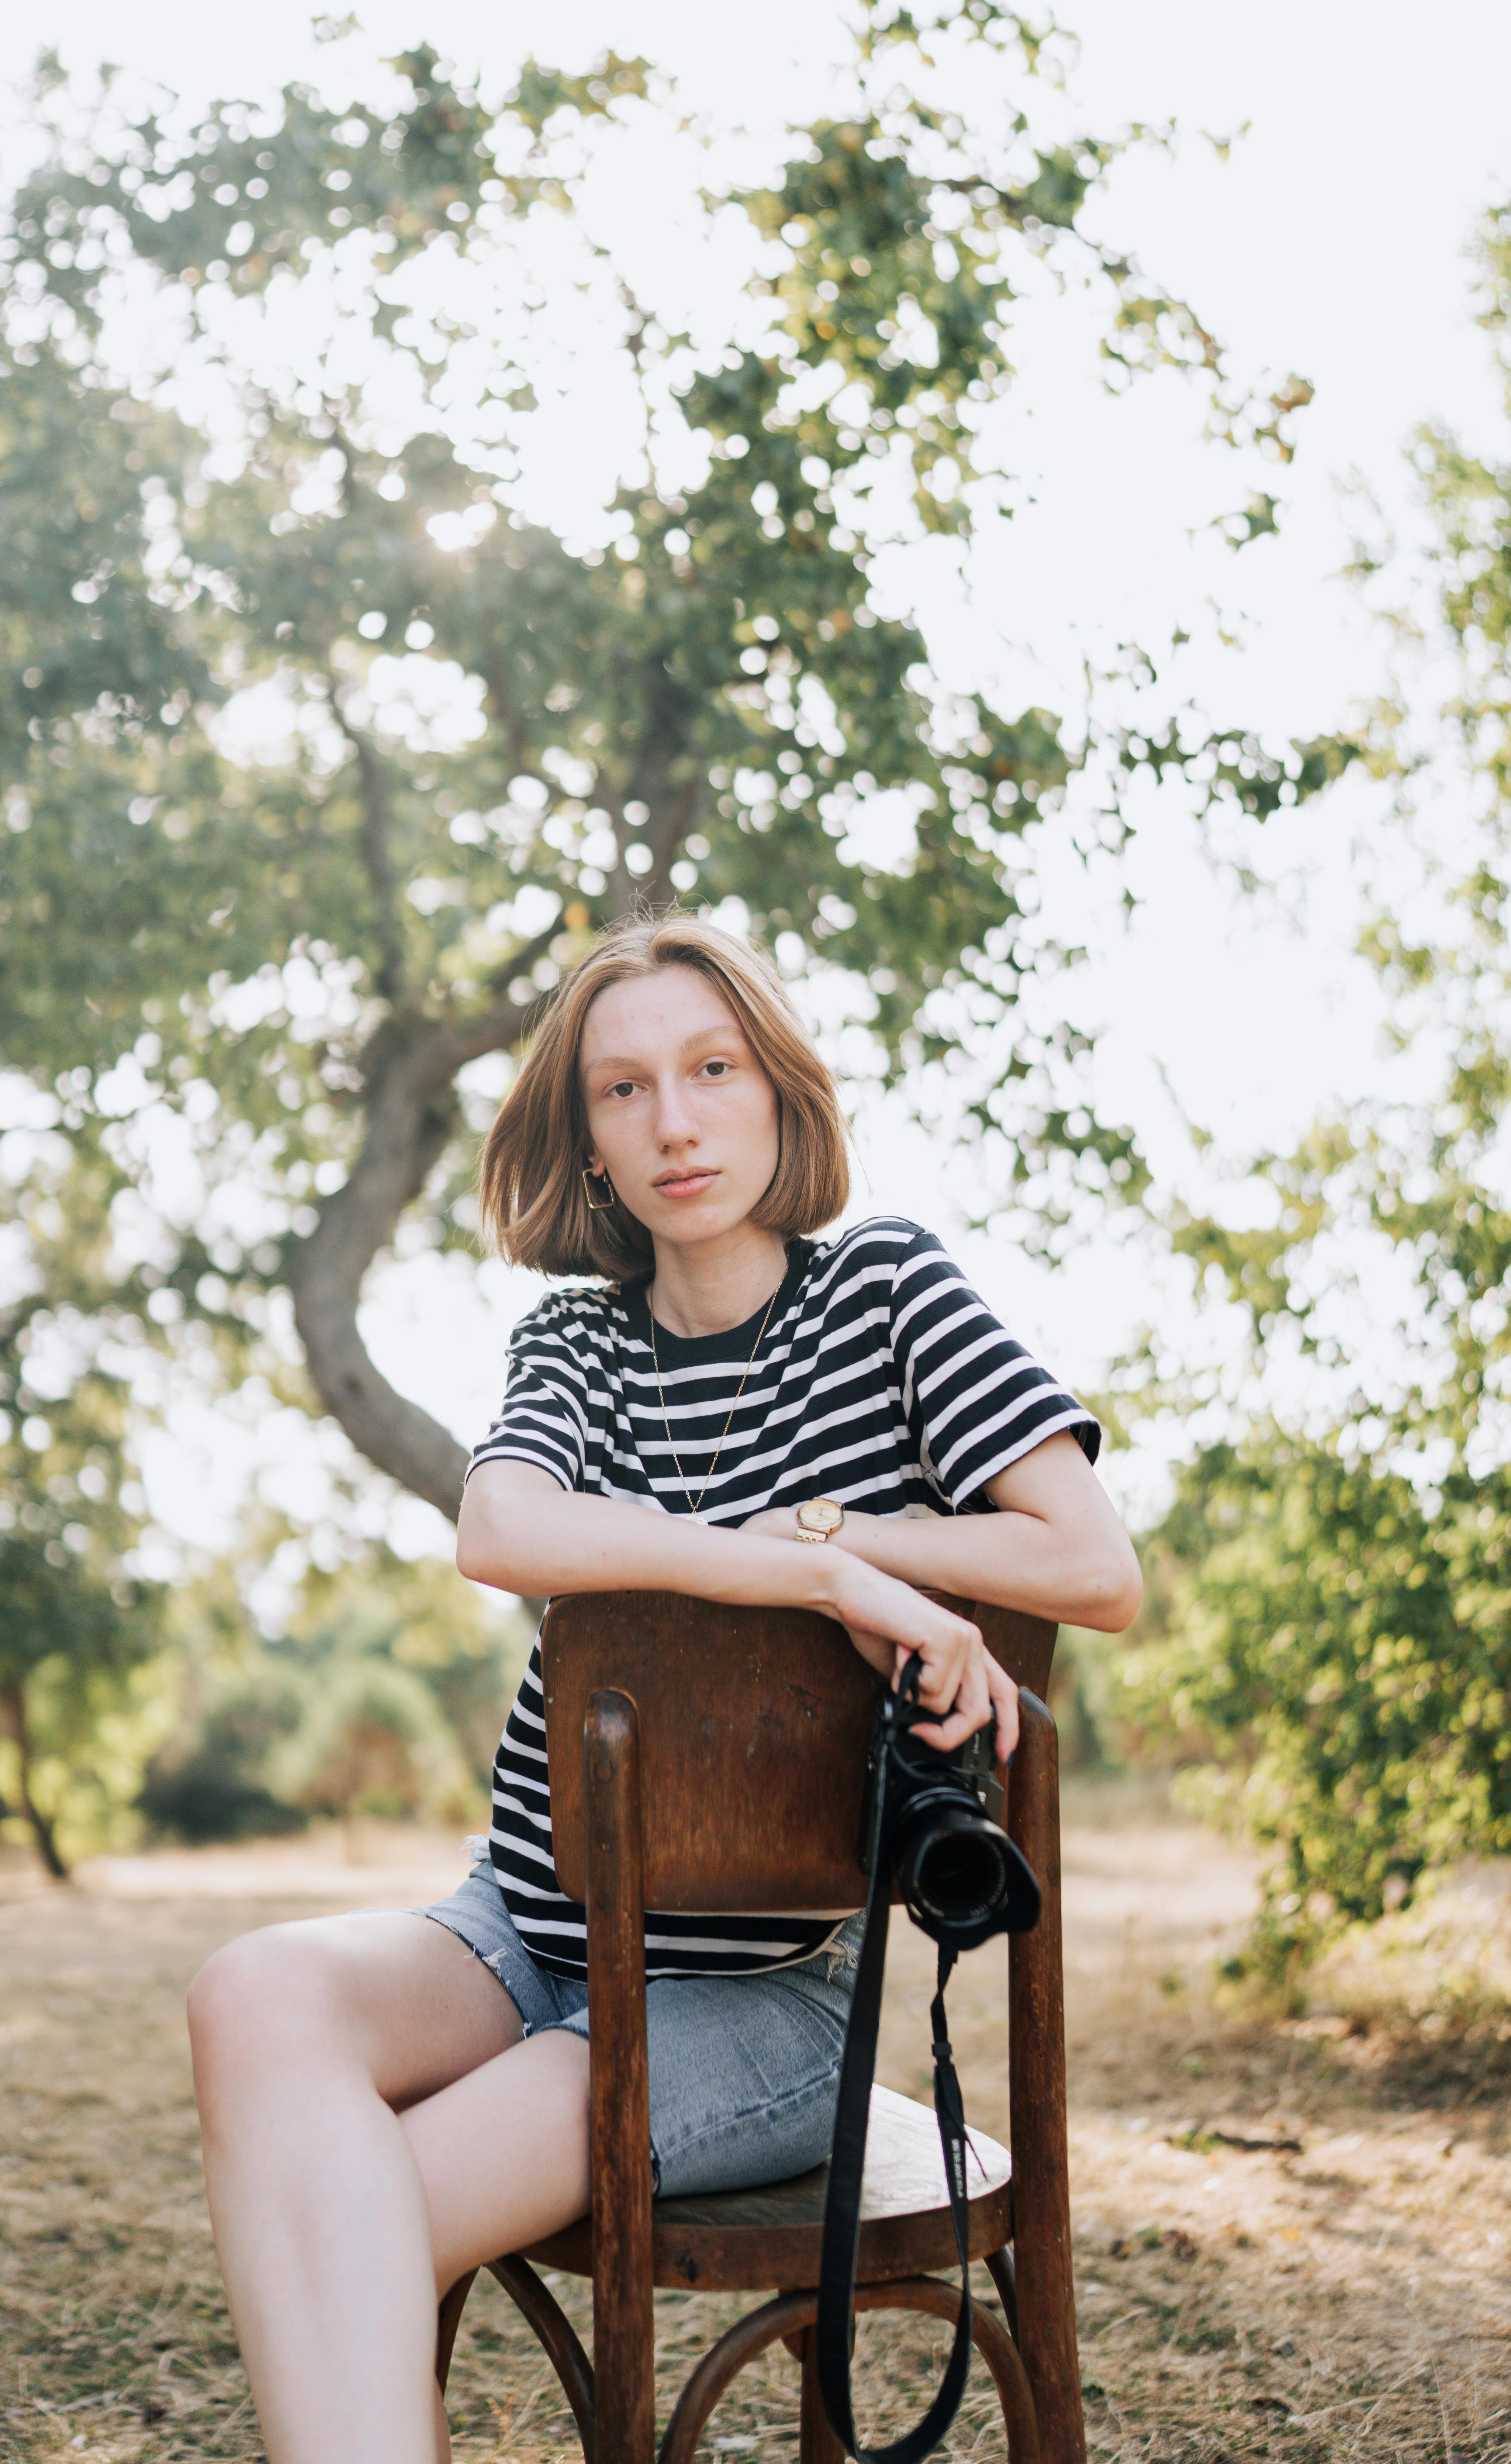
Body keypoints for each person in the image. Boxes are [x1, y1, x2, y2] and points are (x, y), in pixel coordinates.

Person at [186, 913, 1142, 2464]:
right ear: (590, 1147)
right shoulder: (575, 1340)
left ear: (779, 1090)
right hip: (518, 1922)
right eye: (623, 1092)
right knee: (250, 1993)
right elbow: (501, 1529)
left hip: (750, 1999)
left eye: (711, 1069)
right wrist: (815, 1575)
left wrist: (840, 1524)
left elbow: (1093, 1565)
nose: (675, 1120)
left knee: (352, 2218)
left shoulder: (886, 1293)